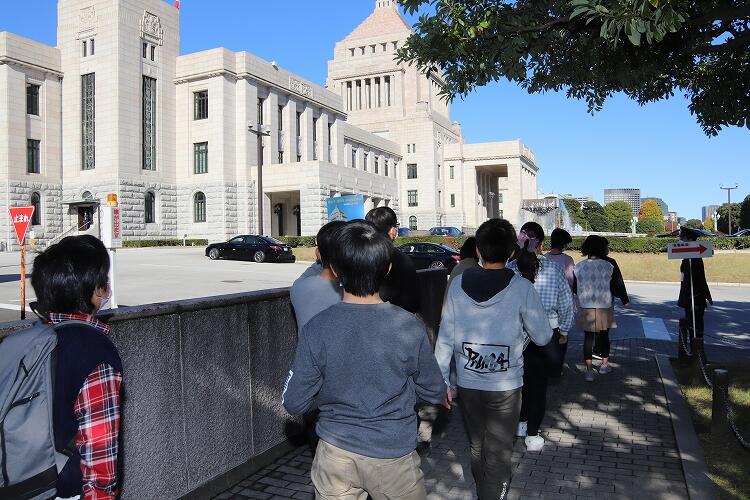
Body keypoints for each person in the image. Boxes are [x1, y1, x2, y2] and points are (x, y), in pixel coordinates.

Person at [282, 220, 446, 500]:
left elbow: (294, 401)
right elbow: (434, 390)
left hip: (335, 454)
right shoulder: (408, 326)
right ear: (388, 269)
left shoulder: (317, 327)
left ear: (335, 269)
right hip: (394, 455)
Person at [435, 219, 552, 500]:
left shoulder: (458, 284)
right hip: (506, 386)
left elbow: (445, 337)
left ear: (478, 250)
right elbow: (543, 336)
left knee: (478, 445)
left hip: (467, 382)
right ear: (512, 252)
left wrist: (441, 381)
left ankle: (485, 489)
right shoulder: (522, 287)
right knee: (498, 451)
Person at [30, 235, 123, 499]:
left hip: (25, 484)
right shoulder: (95, 351)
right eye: (103, 280)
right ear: (96, 290)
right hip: (68, 489)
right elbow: (100, 450)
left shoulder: (33, 339)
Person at [507, 222, 574, 452]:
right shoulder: (553, 269)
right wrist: (564, 330)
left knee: (519, 384)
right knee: (538, 386)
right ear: (541, 244)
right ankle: (533, 434)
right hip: (546, 335)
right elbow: (566, 303)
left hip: (516, 335)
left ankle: (520, 423)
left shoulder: (510, 269)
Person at [575, 235, 628, 382]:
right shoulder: (609, 264)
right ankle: (604, 365)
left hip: (586, 305)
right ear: (602, 248)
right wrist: (625, 299)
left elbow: (575, 287)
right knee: (604, 336)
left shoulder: (579, 266)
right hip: (604, 305)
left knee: (588, 338)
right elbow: (617, 283)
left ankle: (589, 371)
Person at [290, 220, 345, 329]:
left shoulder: (298, 287)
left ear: (318, 253)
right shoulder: (351, 298)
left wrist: (322, 254)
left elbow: (316, 267)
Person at [365, 206, 420, 313]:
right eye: (395, 226)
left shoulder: (359, 257)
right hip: (399, 317)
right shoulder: (401, 259)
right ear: (392, 230)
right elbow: (413, 301)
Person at [678, 226, 713, 338]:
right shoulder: (689, 256)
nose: (681, 241)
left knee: (696, 328)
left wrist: (695, 299)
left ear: (689, 239)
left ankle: (697, 348)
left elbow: (697, 279)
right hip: (691, 298)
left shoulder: (694, 258)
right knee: (691, 326)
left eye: (683, 238)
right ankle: (694, 347)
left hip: (695, 298)